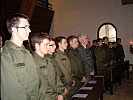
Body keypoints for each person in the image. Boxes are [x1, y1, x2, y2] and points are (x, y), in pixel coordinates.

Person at [1, 13, 39, 100]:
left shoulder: (27, 54)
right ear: (14, 29)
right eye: (25, 27)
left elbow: (37, 82)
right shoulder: (5, 56)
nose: (29, 30)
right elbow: (11, 92)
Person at [30, 32, 65, 100]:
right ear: (37, 45)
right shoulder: (32, 62)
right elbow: (40, 86)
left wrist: (60, 92)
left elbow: (56, 78)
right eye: (46, 44)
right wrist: (55, 96)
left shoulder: (48, 60)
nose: (48, 47)